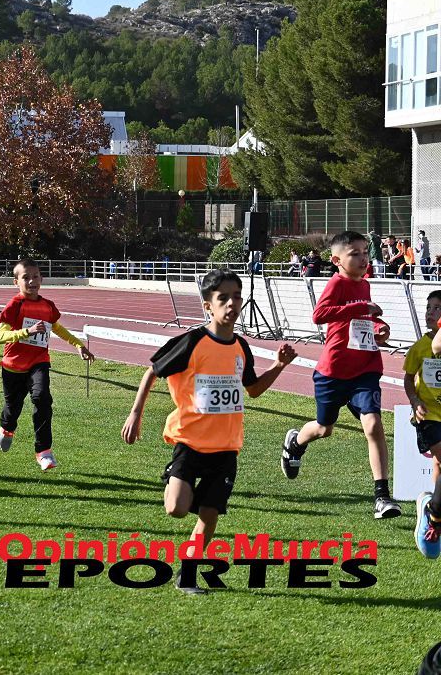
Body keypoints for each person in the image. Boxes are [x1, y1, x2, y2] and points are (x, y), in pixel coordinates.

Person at [122, 269, 296, 594]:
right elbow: (152, 371)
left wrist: (278, 366)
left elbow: (253, 390)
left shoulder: (241, 347)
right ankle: (186, 488)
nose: (232, 303)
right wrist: (136, 413)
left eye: (236, 297)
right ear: (208, 306)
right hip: (189, 441)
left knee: (210, 513)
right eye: (223, 298)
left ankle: (187, 575)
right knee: (175, 508)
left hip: (227, 446)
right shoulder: (192, 342)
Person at [281, 231, 401, 519]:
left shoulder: (365, 285)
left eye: (364, 251)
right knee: (324, 428)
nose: (363, 258)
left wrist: (379, 329)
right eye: (355, 253)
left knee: (373, 425)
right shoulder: (337, 283)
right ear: (336, 260)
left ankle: (382, 497)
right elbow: (319, 315)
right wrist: (362, 308)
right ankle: (295, 443)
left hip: (365, 369)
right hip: (333, 372)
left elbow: (363, 321)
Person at [0, 257, 96, 471]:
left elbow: (57, 328)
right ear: (16, 282)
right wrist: (27, 332)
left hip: (39, 362)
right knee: (13, 408)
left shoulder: (47, 306)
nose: (32, 281)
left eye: (36, 276)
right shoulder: (15, 305)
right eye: (26, 277)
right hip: (13, 366)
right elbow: (0, 337)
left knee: (42, 399)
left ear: (42, 278)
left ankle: (44, 451)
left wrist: (78, 345)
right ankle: (7, 428)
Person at [406, 290, 441, 558]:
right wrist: (414, 399)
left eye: (437, 308)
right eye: (429, 307)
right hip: (428, 414)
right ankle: (434, 515)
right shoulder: (420, 347)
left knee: (440, 464)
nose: (430, 312)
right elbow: (408, 379)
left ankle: (432, 506)